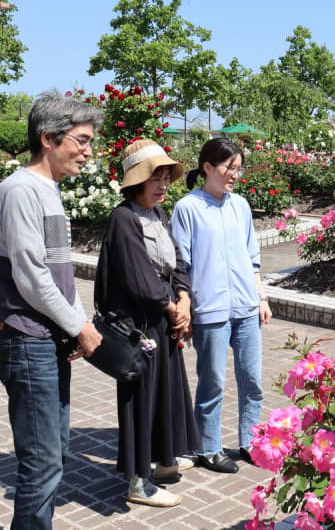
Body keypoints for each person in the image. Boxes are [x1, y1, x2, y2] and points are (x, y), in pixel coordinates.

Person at [0, 90, 104, 530]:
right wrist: (77, 325)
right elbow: (30, 275)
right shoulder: (20, 190)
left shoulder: (48, 190)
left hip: (47, 341)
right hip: (27, 341)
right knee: (42, 463)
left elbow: (59, 270)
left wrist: (79, 322)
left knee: (53, 453)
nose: (88, 151)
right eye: (81, 140)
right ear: (48, 138)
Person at [94, 139, 200, 507]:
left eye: (166, 176)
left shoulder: (157, 215)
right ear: (136, 181)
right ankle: (138, 481)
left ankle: (163, 461)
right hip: (141, 326)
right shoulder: (124, 218)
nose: (163, 184)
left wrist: (185, 298)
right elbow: (139, 279)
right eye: (155, 176)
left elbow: (178, 263)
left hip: (163, 319)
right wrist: (174, 308)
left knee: (165, 393)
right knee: (140, 399)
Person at [171, 139, 272, 474]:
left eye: (238, 168)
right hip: (210, 309)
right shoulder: (187, 207)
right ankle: (208, 447)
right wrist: (183, 307)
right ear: (208, 168)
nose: (235, 174)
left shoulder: (240, 205)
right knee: (212, 381)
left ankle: (249, 442)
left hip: (245, 306)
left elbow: (252, 258)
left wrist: (262, 297)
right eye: (229, 167)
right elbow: (179, 265)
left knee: (252, 380)